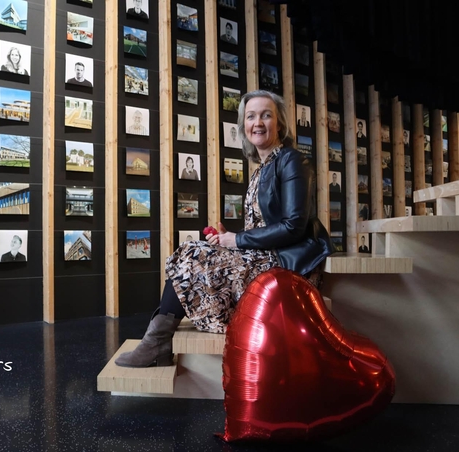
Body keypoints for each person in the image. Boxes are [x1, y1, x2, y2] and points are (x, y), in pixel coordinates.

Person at [115, 89, 334, 368]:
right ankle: (156, 340)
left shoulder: (292, 160)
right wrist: (227, 237)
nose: (258, 122)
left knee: (194, 253)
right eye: (251, 116)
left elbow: (293, 226)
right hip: (266, 255)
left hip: (289, 261)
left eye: (267, 115)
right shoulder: (260, 169)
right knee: (193, 249)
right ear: (244, 126)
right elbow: (262, 225)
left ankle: (156, 342)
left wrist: (237, 239)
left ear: (279, 123)